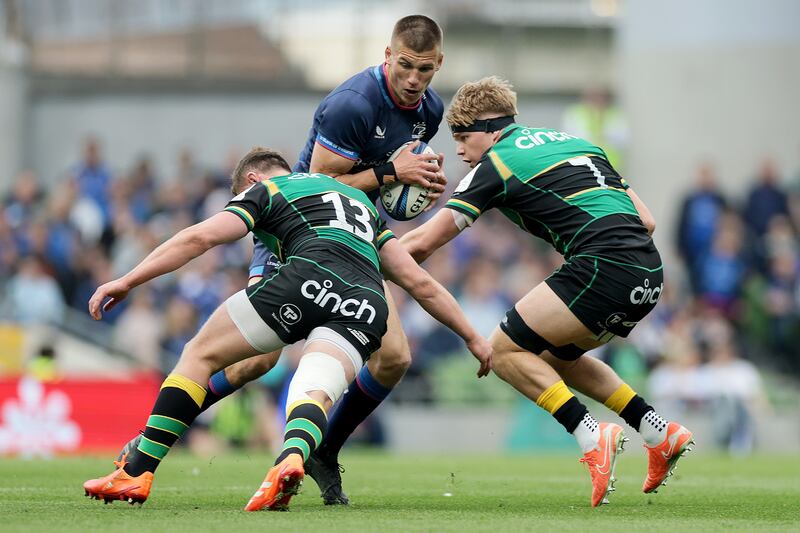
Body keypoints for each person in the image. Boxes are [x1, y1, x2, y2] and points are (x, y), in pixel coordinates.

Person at [116, 14, 449, 506]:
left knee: (396, 356)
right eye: (405, 65)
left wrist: (415, 182)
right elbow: (323, 184)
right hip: (294, 231)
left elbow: (390, 183)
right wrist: (390, 171)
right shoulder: (352, 105)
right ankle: (151, 441)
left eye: (424, 69)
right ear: (387, 55)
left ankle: (320, 451)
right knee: (258, 360)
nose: (414, 78)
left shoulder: (431, 109)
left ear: (438, 64)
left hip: (355, 237)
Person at [83, 147, 492, 511]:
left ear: (251, 180)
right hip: (368, 303)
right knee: (313, 388)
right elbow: (419, 282)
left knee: (200, 354)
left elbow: (201, 237)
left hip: (306, 277)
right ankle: (292, 456)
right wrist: (473, 336)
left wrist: (127, 280)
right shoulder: (359, 204)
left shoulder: (270, 190)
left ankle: (136, 470)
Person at [399, 77, 694, 507]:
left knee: (501, 351)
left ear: (491, 129)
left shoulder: (496, 164)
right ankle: (658, 431)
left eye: (463, 137)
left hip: (603, 266)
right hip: (648, 271)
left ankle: (591, 435)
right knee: (556, 357)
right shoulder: (580, 144)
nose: (460, 150)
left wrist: (363, 255)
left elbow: (423, 243)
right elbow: (646, 220)